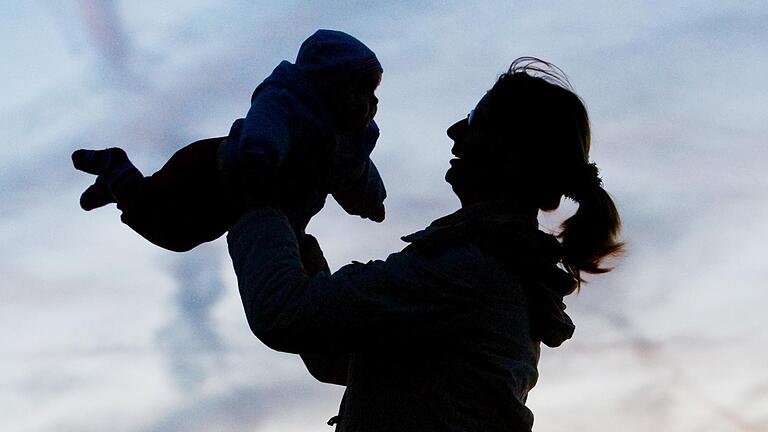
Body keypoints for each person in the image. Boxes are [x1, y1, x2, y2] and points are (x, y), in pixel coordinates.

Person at [226, 57, 623, 431]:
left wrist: (258, 201)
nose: (456, 130)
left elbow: (287, 314)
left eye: (475, 120)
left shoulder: (470, 267)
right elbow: (337, 352)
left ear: (513, 157)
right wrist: (293, 232)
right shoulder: (494, 267)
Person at [71, 29, 386, 252]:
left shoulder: (348, 147)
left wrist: (369, 200)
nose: (371, 103)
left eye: (373, 93)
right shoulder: (290, 104)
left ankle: (118, 184)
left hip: (249, 208)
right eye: (360, 91)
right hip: (209, 173)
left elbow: (356, 177)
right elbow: (267, 122)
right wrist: (260, 153)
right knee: (167, 226)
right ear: (328, 85)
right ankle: (116, 169)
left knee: (188, 232)